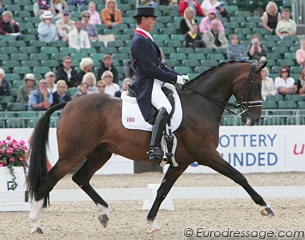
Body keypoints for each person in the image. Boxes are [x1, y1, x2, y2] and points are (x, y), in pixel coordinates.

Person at [131, 6, 189, 160]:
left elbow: (160, 66)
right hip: (147, 83)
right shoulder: (139, 40)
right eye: (152, 19)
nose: (154, 22)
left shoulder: (146, 38)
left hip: (156, 81)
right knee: (166, 107)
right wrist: (175, 79)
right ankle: (154, 147)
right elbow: (150, 69)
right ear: (143, 20)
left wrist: (178, 76)